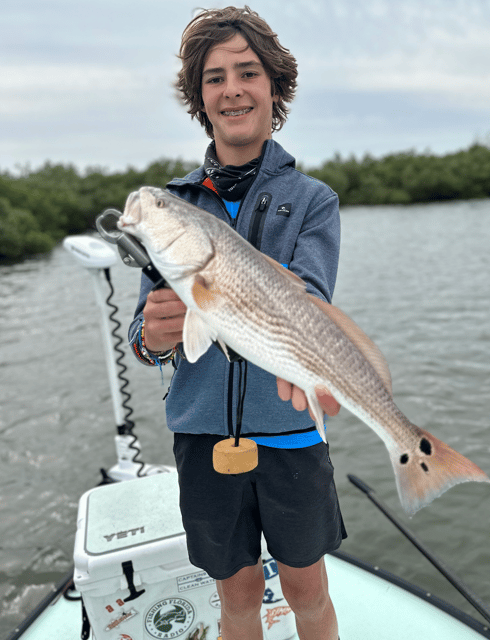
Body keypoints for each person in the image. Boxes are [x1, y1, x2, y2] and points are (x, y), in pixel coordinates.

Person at [128, 7, 345, 640]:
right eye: (215, 77)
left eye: (248, 72)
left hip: (291, 432)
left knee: (308, 587)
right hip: (203, 437)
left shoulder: (312, 201)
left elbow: (313, 300)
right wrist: (154, 334)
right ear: (199, 98)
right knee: (236, 591)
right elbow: (141, 340)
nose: (232, 89)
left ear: (274, 88)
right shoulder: (175, 209)